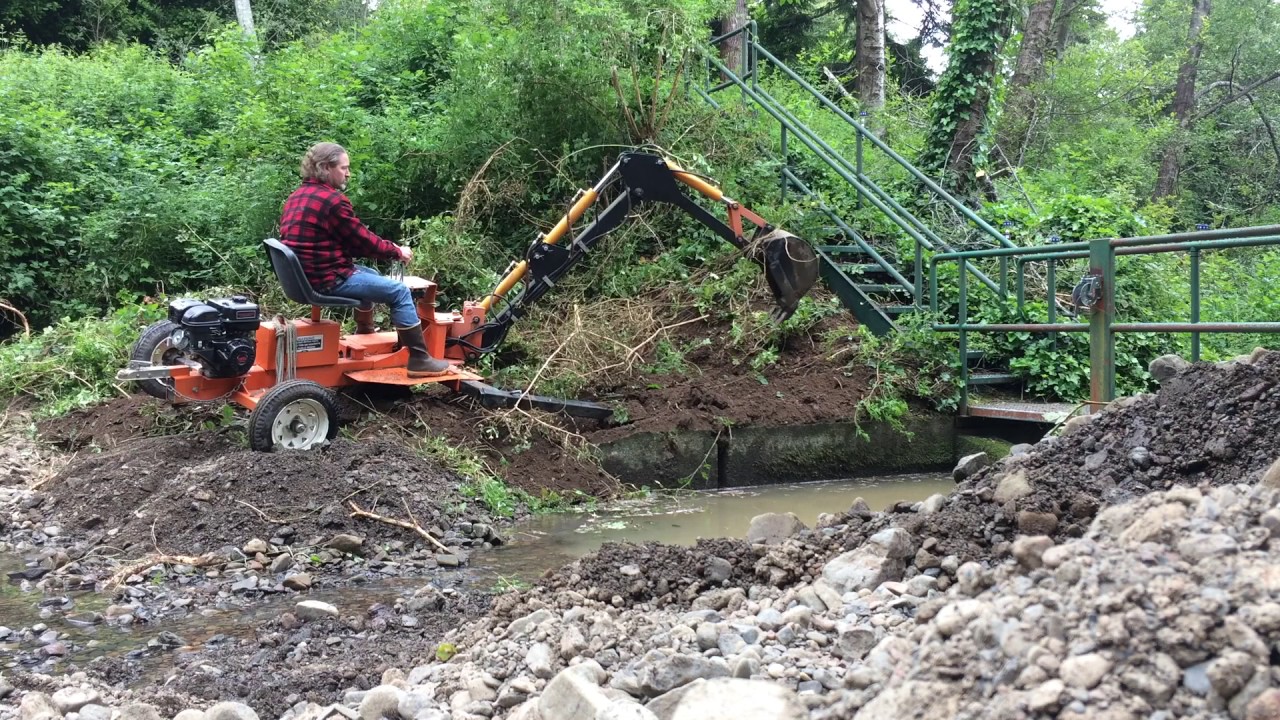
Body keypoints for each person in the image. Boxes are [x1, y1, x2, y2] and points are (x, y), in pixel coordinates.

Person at [279, 142, 449, 377]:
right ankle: (419, 359)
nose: (348, 173)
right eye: (344, 168)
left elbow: (345, 241)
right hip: (326, 279)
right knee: (399, 291)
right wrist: (396, 251)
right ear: (325, 167)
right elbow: (362, 240)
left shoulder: (297, 196)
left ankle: (365, 331)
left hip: (306, 276)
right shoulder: (332, 201)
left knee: (371, 276)